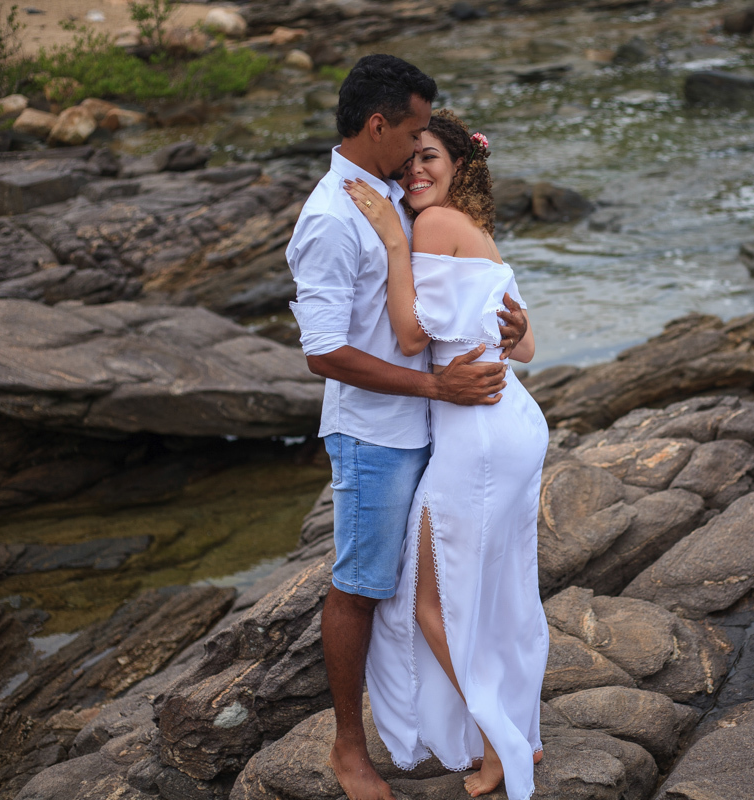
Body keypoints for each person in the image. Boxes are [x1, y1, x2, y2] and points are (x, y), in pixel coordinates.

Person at [284, 56, 529, 800]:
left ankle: (446, 728)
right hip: (375, 437)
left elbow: (455, 283)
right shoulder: (332, 218)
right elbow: (322, 352)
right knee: (361, 588)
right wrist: (435, 384)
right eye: (417, 129)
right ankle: (349, 750)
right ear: (379, 125)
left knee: (434, 589)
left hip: (433, 424)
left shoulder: (395, 194)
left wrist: (509, 324)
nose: (426, 143)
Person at [342, 110, 549, 800]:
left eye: (427, 157)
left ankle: (501, 749)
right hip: (510, 419)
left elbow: (407, 337)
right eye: (404, 165)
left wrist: (395, 249)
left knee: (433, 605)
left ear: (459, 163)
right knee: (499, 592)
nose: (414, 173)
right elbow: (524, 347)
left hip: (479, 434)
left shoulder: (430, 228)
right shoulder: (476, 231)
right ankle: (523, 728)